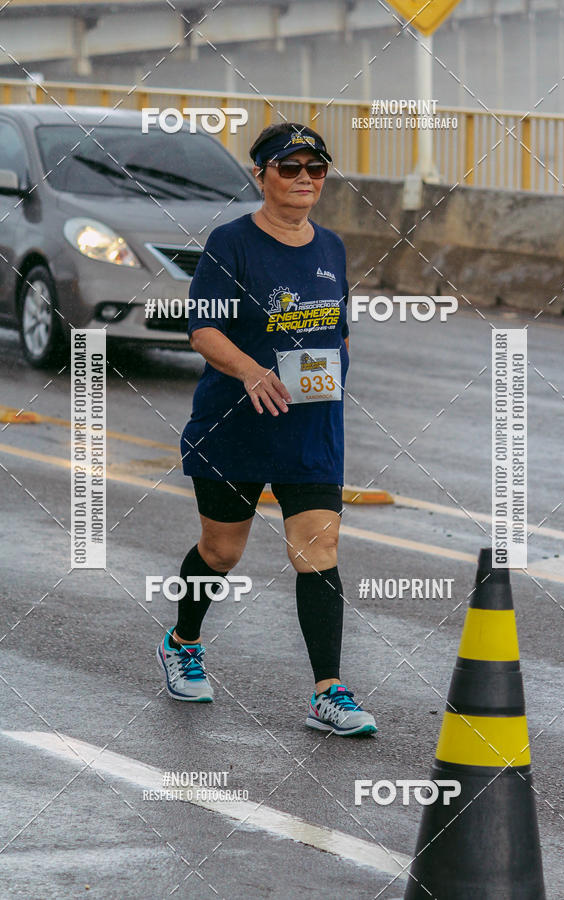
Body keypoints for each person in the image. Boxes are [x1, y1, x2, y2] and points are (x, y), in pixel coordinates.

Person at [156, 122, 377, 736]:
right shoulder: (232, 244)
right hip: (236, 428)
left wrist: (334, 370)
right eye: (290, 168)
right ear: (261, 176)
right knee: (221, 551)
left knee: (318, 549)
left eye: (316, 169)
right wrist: (253, 371)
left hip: (311, 431)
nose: (305, 179)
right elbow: (202, 329)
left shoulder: (330, 247)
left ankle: (327, 692)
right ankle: (182, 642)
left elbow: (339, 328)